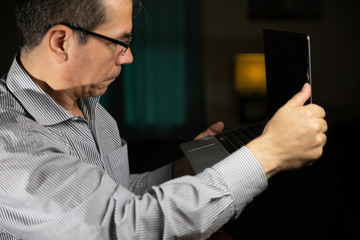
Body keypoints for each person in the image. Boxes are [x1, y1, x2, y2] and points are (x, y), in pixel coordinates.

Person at [0, 0, 327, 239]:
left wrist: (179, 170)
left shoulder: (89, 105)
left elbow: (113, 195)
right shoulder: (13, 145)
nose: (128, 57)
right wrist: (269, 153)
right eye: (120, 42)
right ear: (61, 42)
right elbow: (126, 224)